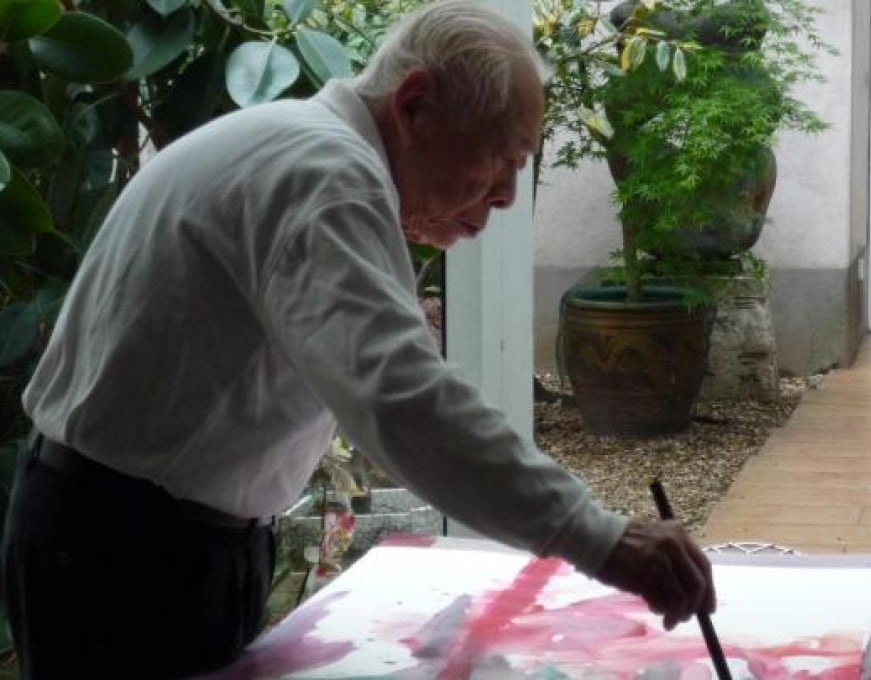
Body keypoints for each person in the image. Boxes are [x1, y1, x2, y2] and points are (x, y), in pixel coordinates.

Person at [2, 1, 716, 677]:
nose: (505, 195)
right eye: (504, 156)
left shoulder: (301, 147)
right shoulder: (325, 178)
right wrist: (601, 538)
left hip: (140, 540)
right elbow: (402, 400)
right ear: (414, 104)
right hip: (127, 557)